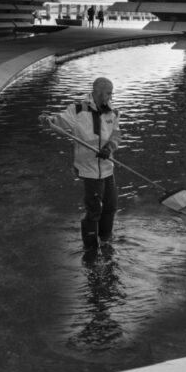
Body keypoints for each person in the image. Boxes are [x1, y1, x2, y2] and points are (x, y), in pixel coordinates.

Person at [39, 77, 121, 251]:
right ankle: (90, 249)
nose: (111, 97)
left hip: (107, 168)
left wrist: (108, 148)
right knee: (94, 210)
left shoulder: (112, 112)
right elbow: (59, 121)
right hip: (89, 170)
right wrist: (49, 121)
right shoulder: (77, 110)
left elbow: (116, 136)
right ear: (98, 93)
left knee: (111, 205)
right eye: (108, 93)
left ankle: (105, 240)